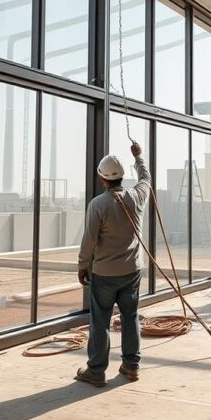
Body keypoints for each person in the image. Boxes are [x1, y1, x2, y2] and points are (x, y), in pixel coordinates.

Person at [75, 142, 149, 387]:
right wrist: (138, 157)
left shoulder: (98, 205)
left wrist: (82, 266)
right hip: (132, 271)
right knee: (130, 316)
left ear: (101, 179)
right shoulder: (137, 196)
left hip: (104, 274)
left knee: (100, 322)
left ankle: (96, 371)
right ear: (122, 177)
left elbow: (89, 240)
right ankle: (131, 365)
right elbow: (146, 178)